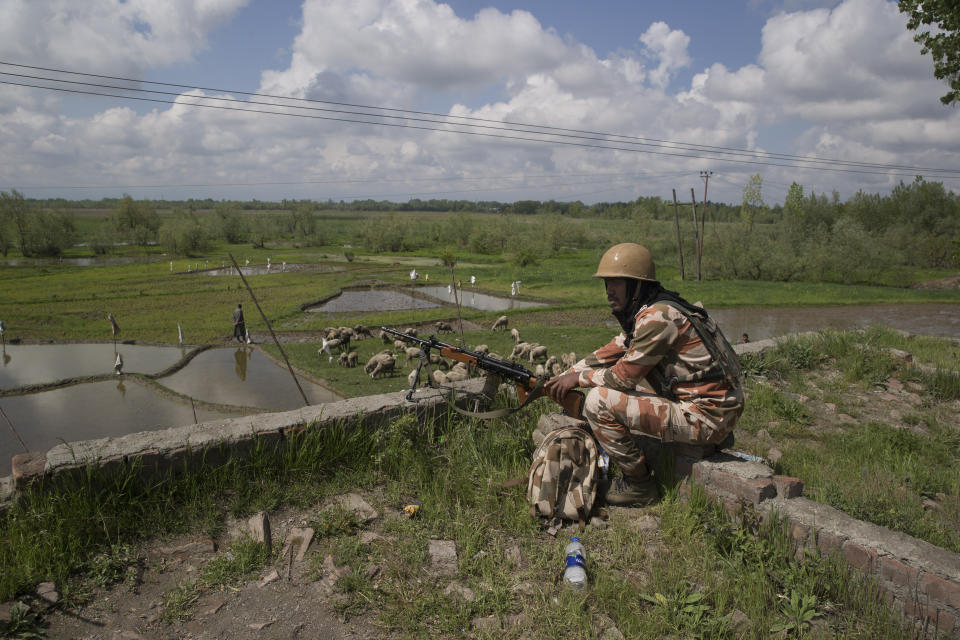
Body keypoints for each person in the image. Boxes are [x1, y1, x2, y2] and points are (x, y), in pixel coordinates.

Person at [545, 243, 744, 507]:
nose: (609, 291)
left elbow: (623, 376)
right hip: (719, 408)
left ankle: (639, 485)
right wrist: (566, 374)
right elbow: (614, 349)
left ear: (637, 285)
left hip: (706, 416)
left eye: (617, 282)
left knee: (598, 401)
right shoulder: (656, 308)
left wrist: (579, 380)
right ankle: (707, 437)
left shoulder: (657, 318)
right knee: (632, 386)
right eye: (606, 282)